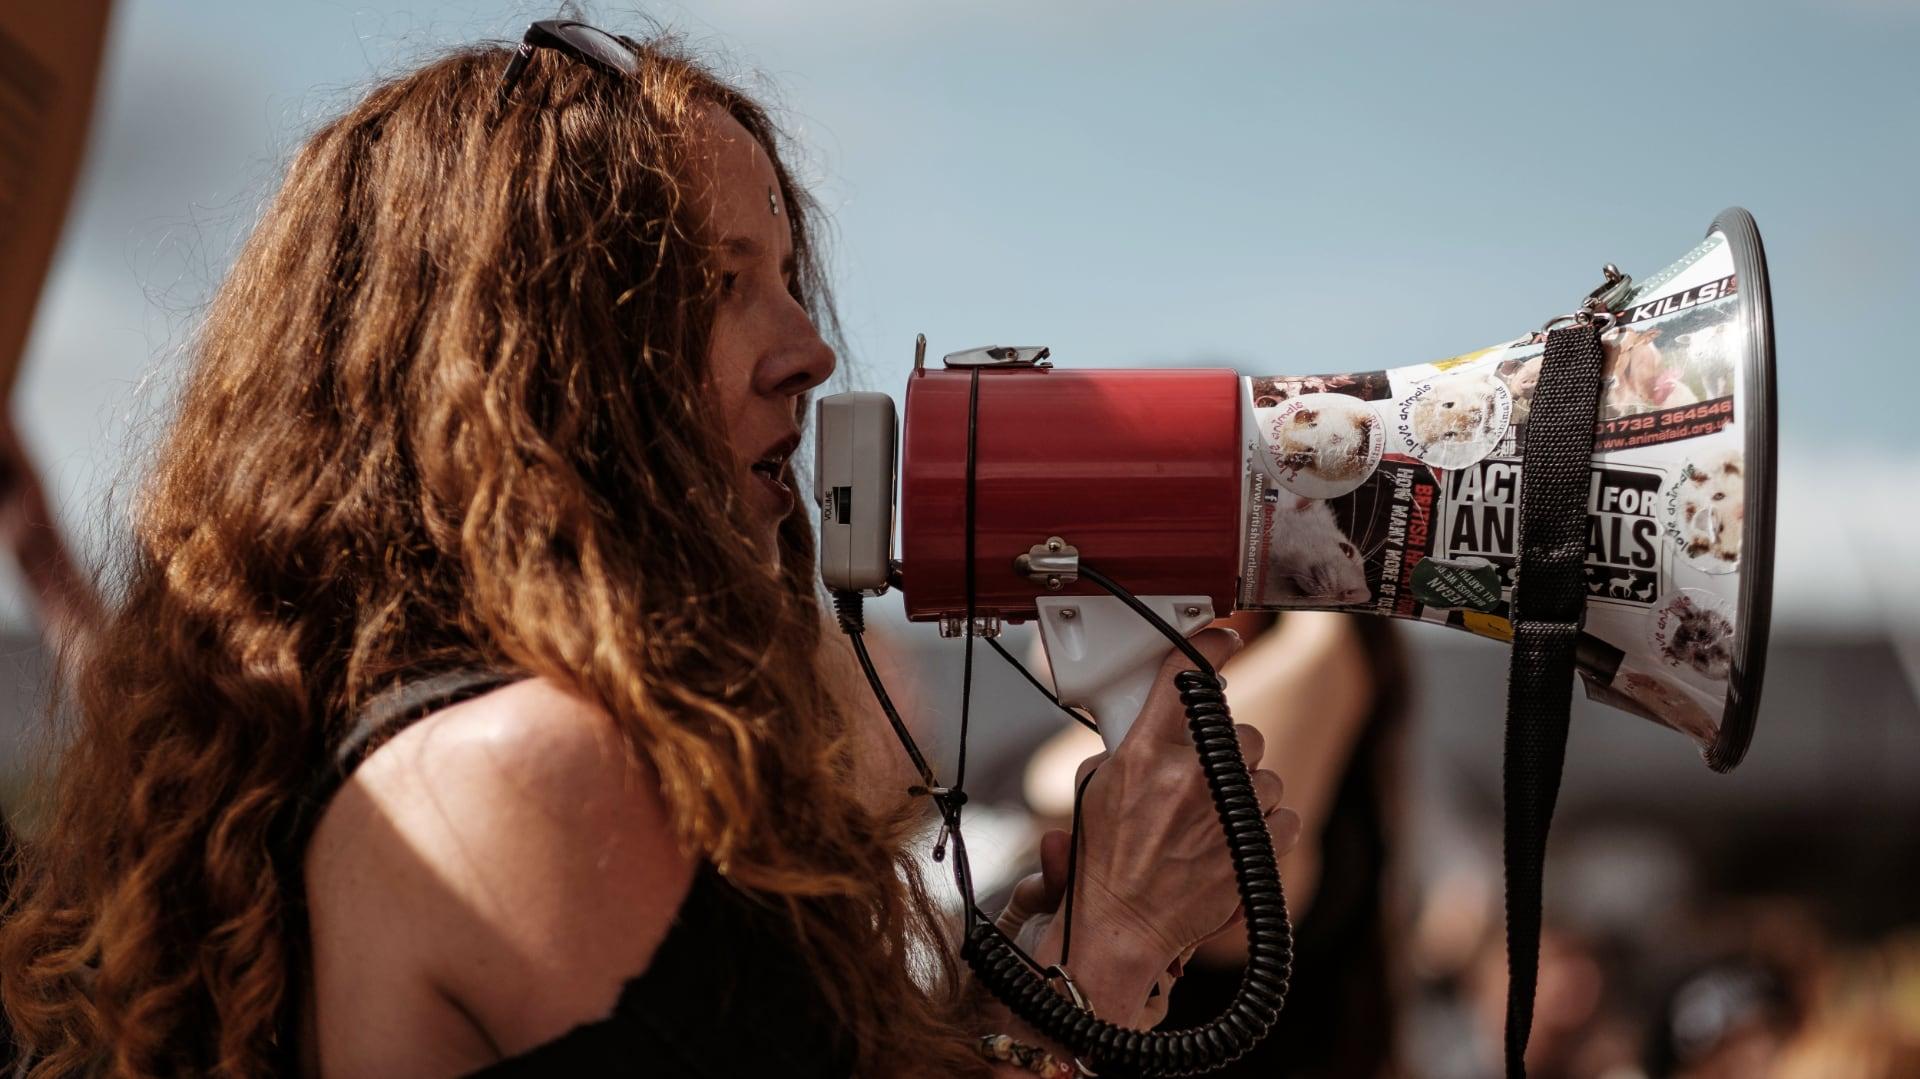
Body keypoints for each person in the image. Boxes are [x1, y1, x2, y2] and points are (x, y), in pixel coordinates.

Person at [0, 23, 1300, 1078]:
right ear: (527, 367)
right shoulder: (531, 777)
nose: (809, 347)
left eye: (787, 273)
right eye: (718, 280)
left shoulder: (421, 751)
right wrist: (1116, 954)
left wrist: (1035, 963)